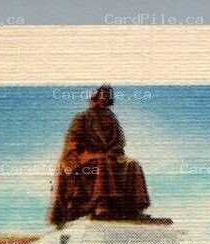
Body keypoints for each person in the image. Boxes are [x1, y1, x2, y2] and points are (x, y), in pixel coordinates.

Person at [47, 85, 151, 226]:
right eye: (101, 96)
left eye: (106, 97)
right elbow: (72, 142)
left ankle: (132, 207)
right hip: (85, 156)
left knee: (133, 164)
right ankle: (101, 204)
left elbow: (119, 142)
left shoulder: (112, 119)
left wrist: (113, 152)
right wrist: (79, 158)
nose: (104, 99)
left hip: (110, 156)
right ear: (95, 98)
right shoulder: (82, 118)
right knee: (102, 162)